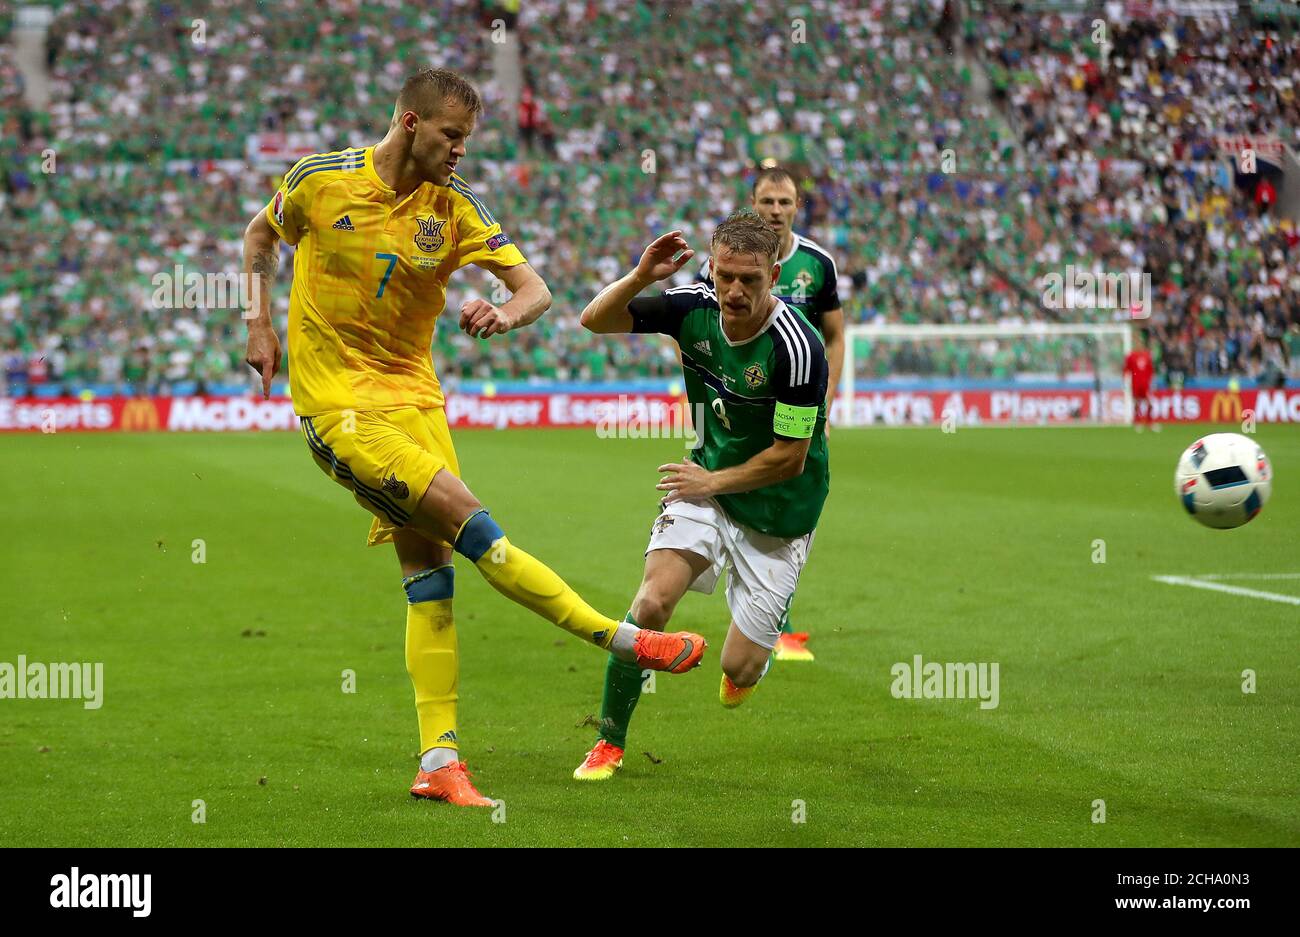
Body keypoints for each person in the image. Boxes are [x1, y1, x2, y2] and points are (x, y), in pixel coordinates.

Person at [241, 69, 705, 808]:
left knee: (432, 581)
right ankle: (624, 639)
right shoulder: (319, 181)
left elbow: (537, 290)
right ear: (409, 124)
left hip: (416, 403)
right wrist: (258, 321)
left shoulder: (454, 209)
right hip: (340, 409)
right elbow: (261, 233)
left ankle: (438, 761)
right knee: (476, 527)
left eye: (468, 139)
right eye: (451, 135)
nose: (461, 150)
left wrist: (505, 314)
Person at [572, 213, 829, 780]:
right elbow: (594, 320)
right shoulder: (693, 306)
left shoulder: (797, 348)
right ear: (711, 267)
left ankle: (752, 651)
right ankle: (609, 741)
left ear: (775, 275)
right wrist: (641, 274)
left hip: (780, 510)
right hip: (705, 485)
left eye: (750, 280)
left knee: (738, 671)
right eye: (725, 276)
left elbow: (790, 456)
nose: (734, 291)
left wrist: (709, 482)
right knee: (650, 605)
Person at [695, 167, 842, 661]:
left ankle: (775, 615)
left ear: (797, 206)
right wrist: (699, 412)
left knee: (787, 494)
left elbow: (836, 334)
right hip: (737, 405)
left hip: (795, 402)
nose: (776, 211)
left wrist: (828, 400)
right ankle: (762, 613)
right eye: (768, 202)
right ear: (753, 203)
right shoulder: (724, 262)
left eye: (785, 202)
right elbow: (696, 338)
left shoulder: (818, 264)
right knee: (733, 493)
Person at [1124, 331, 1157, 432]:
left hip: (1145, 384)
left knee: (1150, 404)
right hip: (1135, 384)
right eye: (1137, 342)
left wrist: (1152, 381)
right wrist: (1125, 381)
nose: (1138, 344)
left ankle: (1150, 423)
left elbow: (1151, 370)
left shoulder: (1147, 355)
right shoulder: (1131, 356)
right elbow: (1126, 369)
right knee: (1137, 404)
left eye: (1140, 342)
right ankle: (1137, 422)